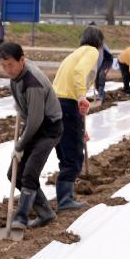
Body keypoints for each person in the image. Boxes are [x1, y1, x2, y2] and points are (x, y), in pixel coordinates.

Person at [0, 42, 62, 226]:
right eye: (4, 66)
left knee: (29, 174)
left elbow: (35, 120)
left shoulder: (33, 83)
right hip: (34, 127)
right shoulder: (16, 76)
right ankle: (46, 213)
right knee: (14, 174)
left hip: (49, 129)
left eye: (10, 64)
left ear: (22, 60)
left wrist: (20, 145)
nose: (7, 70)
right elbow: (26, 113)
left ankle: (21, 218)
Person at [52, 26, 104, 211]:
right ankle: (65, 200)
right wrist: (82, 96)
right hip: (68, 104)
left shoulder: (74, 53)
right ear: (99, 43)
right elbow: (79, 73)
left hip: (55, 104)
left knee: (65, 152)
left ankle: (65, 195)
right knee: (73, 155)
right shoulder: (91, 52)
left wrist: (81, 128)